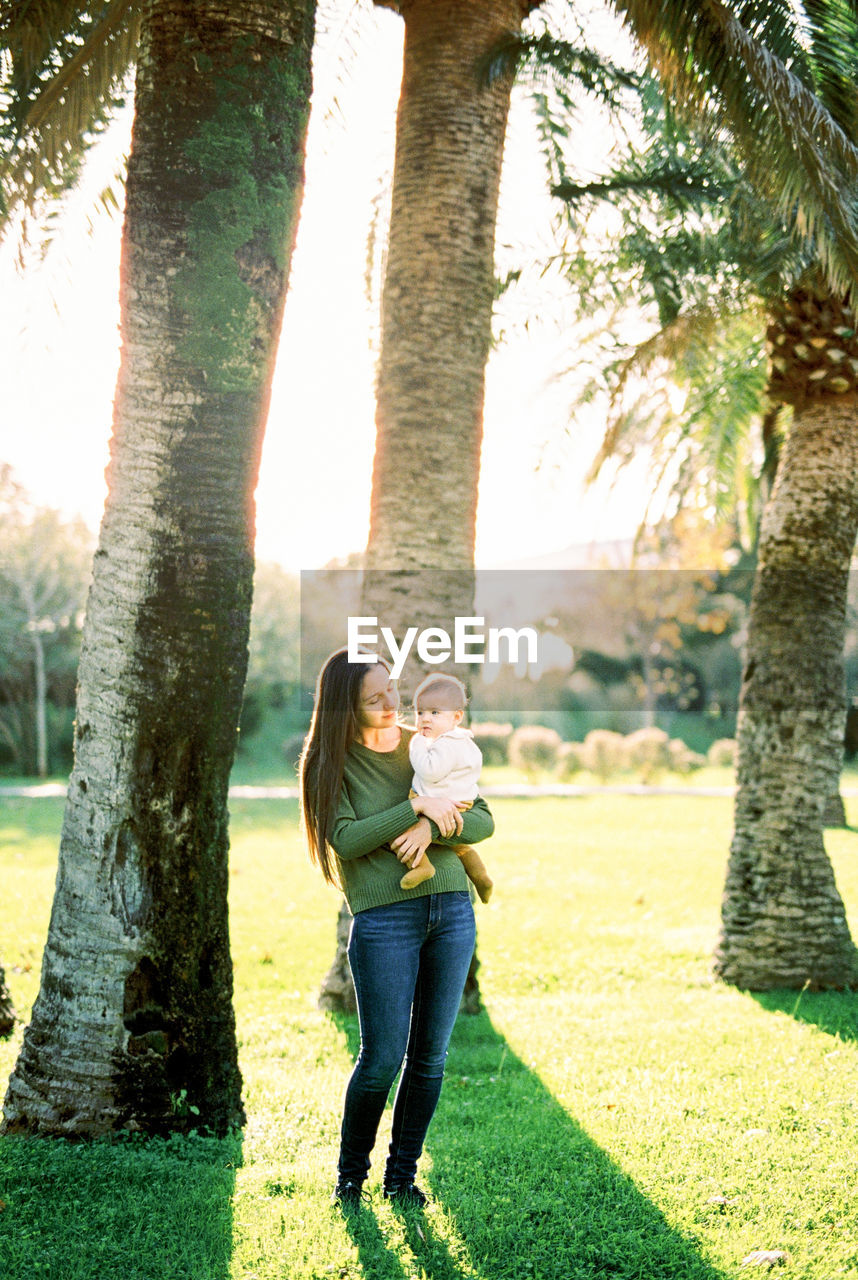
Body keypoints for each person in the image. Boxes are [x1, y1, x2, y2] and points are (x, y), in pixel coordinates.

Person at [299, 648, 494, 1213]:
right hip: (384, 919)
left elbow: (481, 818)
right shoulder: (328, 764)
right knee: (382, 1057)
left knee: (430, 1058)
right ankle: (349, 1181)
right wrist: (417, 807)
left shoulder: (427, 743)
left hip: (452, 910)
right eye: (374, 699)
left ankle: (402, 1178)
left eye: (393, 690)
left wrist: (433, 818)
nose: (392, 704)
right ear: (344, 707)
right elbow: (346, 838)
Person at [399, 673, 494, 903]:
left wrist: (417, 744)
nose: (424, 719)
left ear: (457, 717)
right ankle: (480, 875)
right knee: (458, 845)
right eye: (419, 712)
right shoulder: (464, 742)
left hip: (439, 803)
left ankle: (422, 866)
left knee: (401, 833)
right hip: (462, 803)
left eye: (434, 713)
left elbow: (430, 770)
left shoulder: (444, 745)